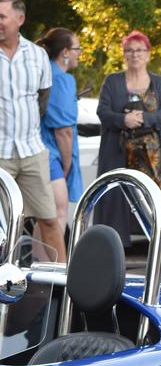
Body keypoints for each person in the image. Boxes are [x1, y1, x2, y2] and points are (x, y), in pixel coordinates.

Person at [0, 0, 65, 262]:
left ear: (20, 19)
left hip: (31, 152)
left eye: (2, 16)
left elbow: (42, 102)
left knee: (49, 220)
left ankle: (68, 287)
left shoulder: (38, 56)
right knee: (3, 229)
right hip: (0, 155)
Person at [95, 30, 161, 246]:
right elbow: (102, 112)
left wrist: (144, 119)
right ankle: (113, 248)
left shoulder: (158, 83)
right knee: (115, 199)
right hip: (118, 153)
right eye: (129, 50)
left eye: (139, 50)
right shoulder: (112, 81)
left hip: (152, 158)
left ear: (148, 54)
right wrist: (124, 120)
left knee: (152, 201)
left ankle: (157, 248)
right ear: (124, 54)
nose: (134, 55)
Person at [35, 27, 83, 240]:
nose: (79, 53)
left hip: (40, 150)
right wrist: (67, 163)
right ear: (65, 52)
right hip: (53, 153)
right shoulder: (63, 80)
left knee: (43, 217)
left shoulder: (43, 73)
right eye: (77, 48)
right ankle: (54, 269)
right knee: (57, 212)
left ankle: (37, 266)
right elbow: (63, 131)